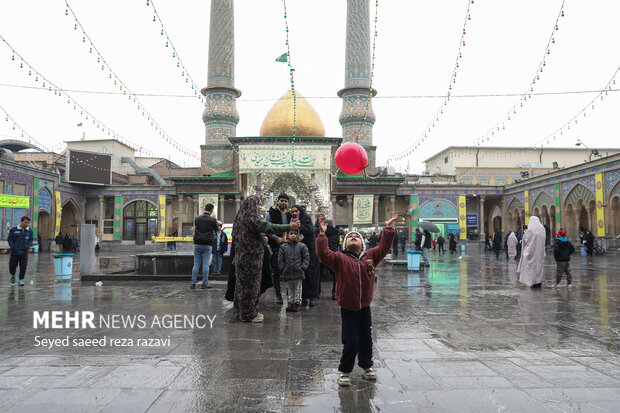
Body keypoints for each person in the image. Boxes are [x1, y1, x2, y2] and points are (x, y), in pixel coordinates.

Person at [316, 213, 397, 387]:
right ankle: (345, 369)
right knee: (351, 340)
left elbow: (384, 246)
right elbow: (323, 254)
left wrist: (388, 229)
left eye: (357, 237)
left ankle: (367, 366)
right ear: (345, 244)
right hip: (347, 307)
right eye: (349, 237)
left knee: (366, 339)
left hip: (365, 307)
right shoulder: (340, 258)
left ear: (362, 244)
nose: (353, 237)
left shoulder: (370, 257)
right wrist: (322, 235)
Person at [232, 195, 299, 323]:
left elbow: (245, 234)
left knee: (241, 286)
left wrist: (261, 237)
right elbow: (269, 226)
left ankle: (239, 311)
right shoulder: (253, 217)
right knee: (250, 287)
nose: (260, 207)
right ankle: (249, 315)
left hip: (241, 258)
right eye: (258, 204)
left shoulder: (240, 217)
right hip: (251, 259)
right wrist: (288, 227)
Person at [265, 193, 292, 304]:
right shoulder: (270, 213)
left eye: (285, 201)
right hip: (275, 246)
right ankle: (278, 294)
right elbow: (266, 228)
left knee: (289, 270)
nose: (283, 203)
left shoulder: (290, 214)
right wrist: (276, 238)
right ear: (277, 201)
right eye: (281, 200)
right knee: (276, 271)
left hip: (288, 246)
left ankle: (289, 293)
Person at [292, 204, 320, 307]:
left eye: (296, 211)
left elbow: (310, 231)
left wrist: (301, 227)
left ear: (301, 212)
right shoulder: (292, 222)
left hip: (310, 252)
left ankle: (313, 297)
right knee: (301, 275)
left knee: (311, 275)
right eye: (293, 212)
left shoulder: (306, 220)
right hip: (299, 252)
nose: (294, 213)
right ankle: (302, 297)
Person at [279, 229, 310, 312]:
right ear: (287, 235)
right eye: (291, 233)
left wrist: (303, 267)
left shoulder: (302, 246)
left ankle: (297, 303)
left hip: (298, 271)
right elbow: (280, 258)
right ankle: (290, 302)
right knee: (290, 288)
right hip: (288, 271)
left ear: (298, 235)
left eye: (295, 234)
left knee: (298, 288)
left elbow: (306, 257)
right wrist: (283, 268)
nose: (293, 235)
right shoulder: (283, 247)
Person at [191, 203, 218, 289]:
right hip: (207, 244)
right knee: (206, 264)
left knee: (196, 263)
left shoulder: (197, 218)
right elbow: (216, 229)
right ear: (211, 210)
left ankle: (193, 283)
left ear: (205, 209)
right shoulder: (213, 219)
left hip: (197, 244)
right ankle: (204, 283)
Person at [518, 216, 546, 288]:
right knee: (538, 269)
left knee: (531, 269)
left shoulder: (530, 231)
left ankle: (532, 283)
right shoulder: (542, 230)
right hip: (540, 253)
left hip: (532, 253)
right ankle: (538, 282)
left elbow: (525, 239)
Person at [8, 216, 33, 286]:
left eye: (28, 223)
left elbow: (31, 240)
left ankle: (21, 280)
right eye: (26, 222)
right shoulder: (13, 230)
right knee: (12, 266)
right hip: (14, 252)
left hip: (24, 253)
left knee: (23, 266)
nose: (27, 224)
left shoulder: (30, 231)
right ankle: (13, 275)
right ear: (21, 221)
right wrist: (12, 246)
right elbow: (10, 239)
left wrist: (28, 246)